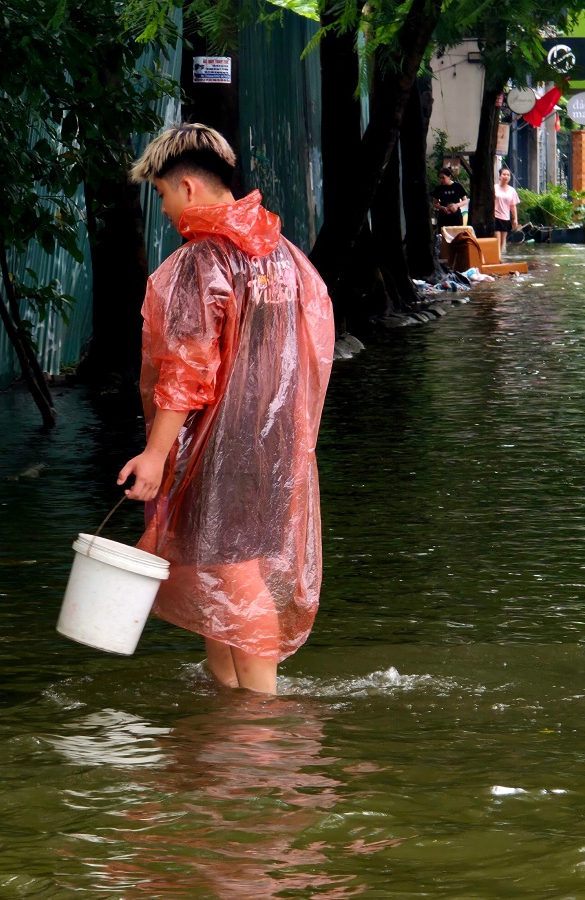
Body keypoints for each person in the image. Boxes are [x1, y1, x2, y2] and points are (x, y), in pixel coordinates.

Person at [118, 123, 334, 695]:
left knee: (233, 574)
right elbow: (312, 344)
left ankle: (263, 714)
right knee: (219, 570)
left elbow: (186, 370)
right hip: (275, 441)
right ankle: (229, 710)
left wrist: (156, 455)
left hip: (224, 447)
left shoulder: (201, 262)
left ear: (188, 188)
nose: (163, 208)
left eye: (162, 193)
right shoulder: (283, 255)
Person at [493, 167, 521, 254]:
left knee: (503, 241)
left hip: (505, 217)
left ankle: (500, 257)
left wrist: (515, 218)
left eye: (508, 175)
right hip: (495, 217)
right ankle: (497, 258)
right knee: (497, 239)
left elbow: (513, 206)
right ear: (500, 176)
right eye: (504, 174)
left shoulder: (512, 190)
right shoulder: (494, 188)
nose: (506, 176)